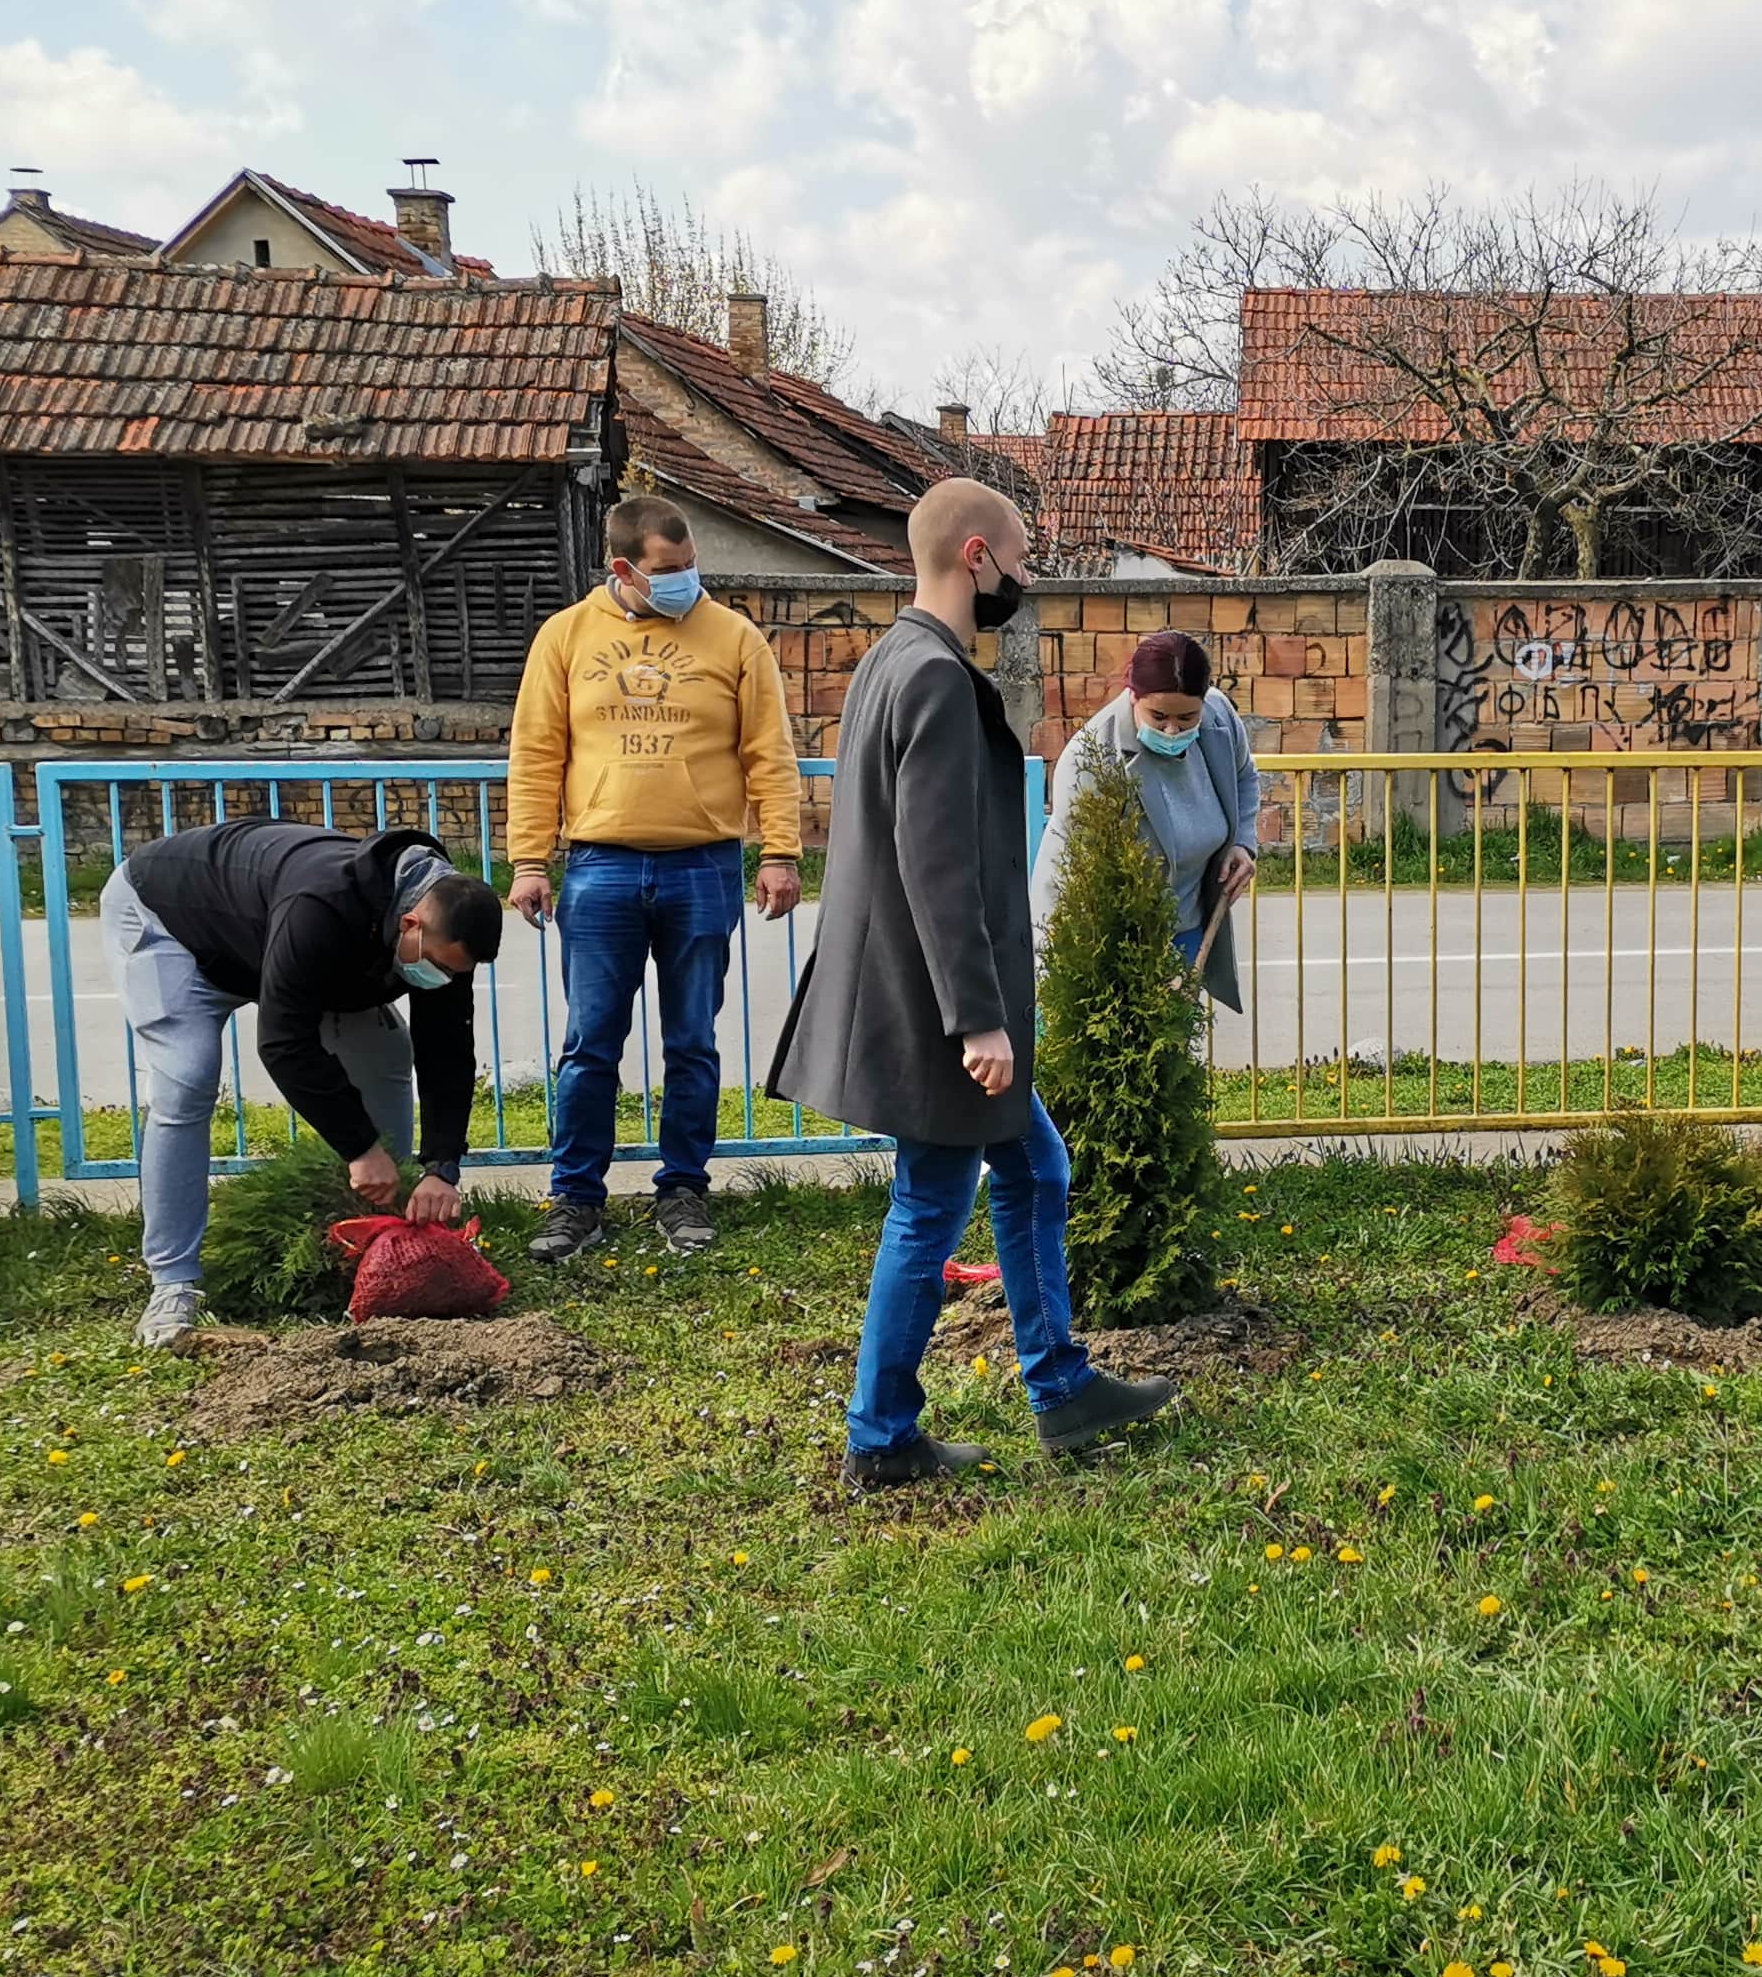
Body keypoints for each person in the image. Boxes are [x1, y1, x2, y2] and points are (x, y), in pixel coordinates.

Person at [766, 477, 1176, 1491]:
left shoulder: (889, 661)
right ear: (978, 555)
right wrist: (977, 1018)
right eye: (1025, 555)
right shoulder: (938, 678)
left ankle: (1060, 1386)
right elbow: (935, 861)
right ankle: (879, 1438)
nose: (1030, 577)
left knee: (1036, 1168)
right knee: (929, 1205)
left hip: (912, 995)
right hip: (936, 1009)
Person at [505, 495, 810, 1264]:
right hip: (600, 864)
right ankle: (575, 1199)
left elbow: (767, 752)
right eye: (667, 572)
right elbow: (538, 753)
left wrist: (780, 851)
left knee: (692, 1043)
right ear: (623, 568)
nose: (685, 583)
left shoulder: (736, 637)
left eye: (690, 566)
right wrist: (530, 861)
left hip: (702, 865)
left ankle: (683, 1189)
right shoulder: (565, 637)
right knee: (589, 1044)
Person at [98, 819, 503, 1348]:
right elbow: (284, 1042)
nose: (440, 980)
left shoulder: (447, 935)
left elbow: (447, 1048)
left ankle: (381, 1240)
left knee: (385, 1052)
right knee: (187, 1077)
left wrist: (441, 1167)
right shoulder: (323, 905)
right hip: (172, 922)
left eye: (453, 972)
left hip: (279, 941)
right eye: (433, 967)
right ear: (409, 923)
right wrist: (360, 1147)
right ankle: (172, 1283)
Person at [1030, 630, 1262, 1006]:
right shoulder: (1090, 758)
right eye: (1158, 716)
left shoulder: (1220, 718)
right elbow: (1072, 873)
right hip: (1113, 938)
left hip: (1189, 922)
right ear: (1133, 696)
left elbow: (1245, 777)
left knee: (1174, 1052)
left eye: (1187, 717)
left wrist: (1243, 842)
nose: (1173, 729)